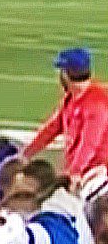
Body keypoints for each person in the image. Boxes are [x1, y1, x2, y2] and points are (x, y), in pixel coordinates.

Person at [23, 48, 108, 180]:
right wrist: (26, 153)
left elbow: (89, 143)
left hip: (96, 175)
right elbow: (51, 129)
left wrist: (74, 173)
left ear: (67, 74)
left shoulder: (96, 103)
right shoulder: (71, 98)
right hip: (81, 172)